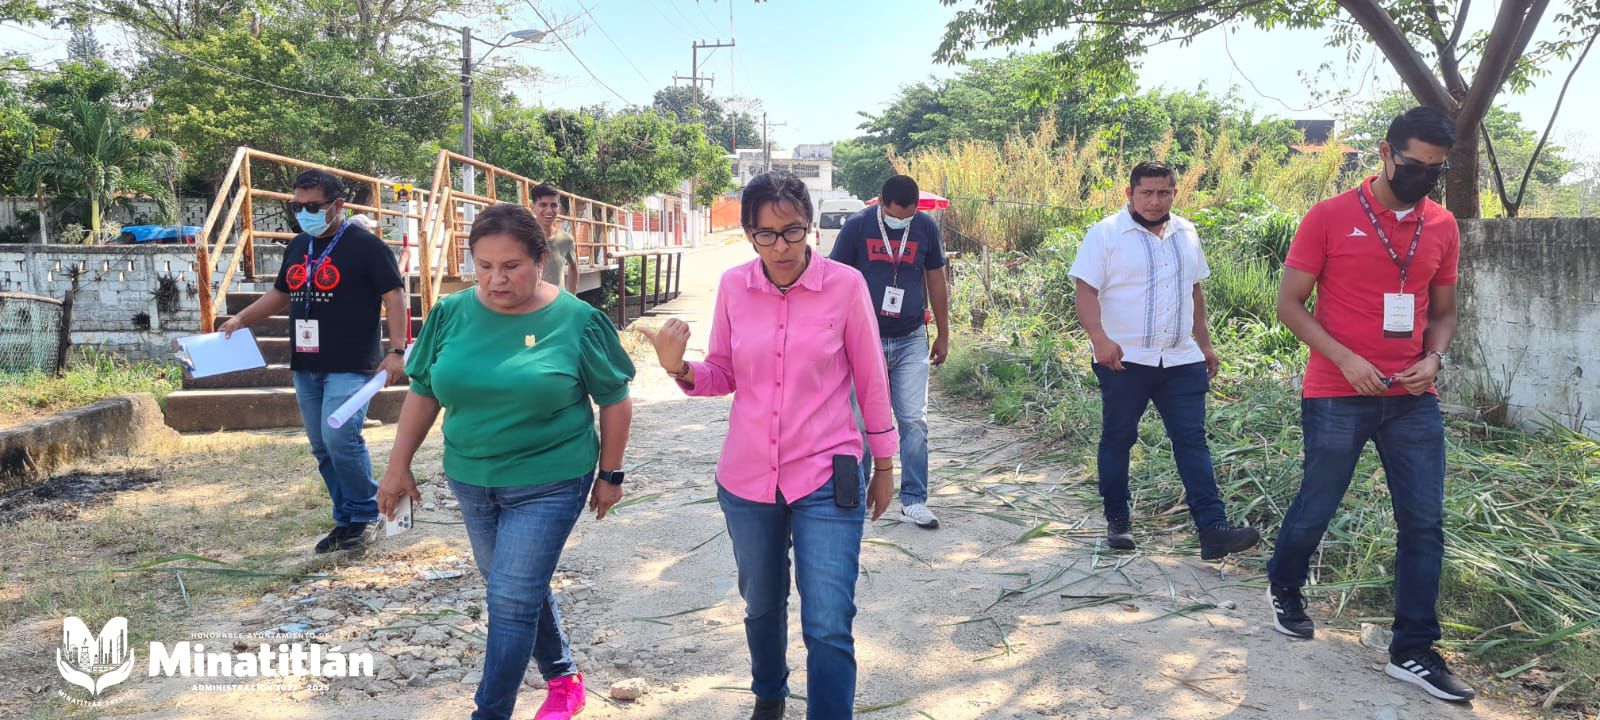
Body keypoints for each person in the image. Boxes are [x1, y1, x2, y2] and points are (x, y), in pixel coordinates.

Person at [638, 170, 898, 720]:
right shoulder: (735, 287)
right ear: (749, 234)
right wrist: (679, 368)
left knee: (829, 620)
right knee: (761, 604)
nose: (781, 247)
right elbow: (724, 372)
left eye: (792, 231)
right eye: (766, 234)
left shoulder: (845, 286)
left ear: (811, 228)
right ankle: (769, 695)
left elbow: (871, 380)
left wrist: (884, 464)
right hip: (749, 477)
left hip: (827, 475)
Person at [378, 202, 636, 720]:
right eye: (485, 265)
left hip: (552, 477)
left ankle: (490, 712)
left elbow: (614, 399)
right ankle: (564, 677)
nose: (497, 279)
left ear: (540, 260)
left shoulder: (577, 320)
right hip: (472, 477)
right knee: (513, 588)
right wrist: (397, 464)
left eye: (511, 266)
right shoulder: (450, 313)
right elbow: (424, 390)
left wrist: (610, 474)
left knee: (511, 599)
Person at [1266, 107, 1474, 702]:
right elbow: (1289, 304)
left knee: (1424, 520)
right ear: (1386, 153)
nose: (1424, 178)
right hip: (1338, 390)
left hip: (1412, 396)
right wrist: (1345, 360)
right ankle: (1284, 583)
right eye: (1414, 165)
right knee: (1318, 502)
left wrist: (1434, 359)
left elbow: (1443, 313)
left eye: (1436, 170)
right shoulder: (1329, 216)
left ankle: (1412, 649)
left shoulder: (1442, 226)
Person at [1068, 161, 1260, 559]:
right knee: (1119, 438)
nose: (1155, 201)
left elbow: (1194, 292)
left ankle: (1213, 531)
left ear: (1174, 192)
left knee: (1192, 441)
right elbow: (1085, 291)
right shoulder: (1106, 234)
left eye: (1163, 193)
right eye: (1146, 193)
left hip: (1180, 360)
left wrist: (1205, 344)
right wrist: (1099, 339)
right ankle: (1118, 520)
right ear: (1130, 193)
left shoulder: (1186, 233)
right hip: (1125, 360)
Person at [221, 168, 407, 554]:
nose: (304, 213)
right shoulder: (299, 246)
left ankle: (365, 514)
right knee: (322, 445)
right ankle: (347, 519)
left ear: (338, 205)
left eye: (312, 207)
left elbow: (394, 297)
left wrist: (396, 351)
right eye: (297, 207)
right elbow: (281, 293)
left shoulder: (366, 246)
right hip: (307, 364)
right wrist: (242, 319)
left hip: (351, 362)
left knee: (341, 438)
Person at [828, 174, 949, 529]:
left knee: (914, 420)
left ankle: (914, 499)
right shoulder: (857, 227)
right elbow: (836, 281)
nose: (902, 222)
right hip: (864, 340)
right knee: (862, 423)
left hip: (911, 338)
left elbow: (936, 279)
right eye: (896, 216)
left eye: (908, 216)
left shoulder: (925, 228)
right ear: (881, 203)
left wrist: (944, 333)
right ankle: (859, 494)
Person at [531, 184, 581, 293]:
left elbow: (573, 267)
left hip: (557, 301)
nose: (549, 210)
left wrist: (572, 297)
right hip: (531, 301)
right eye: (543, 205)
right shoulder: (523, 239)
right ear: (533, 208)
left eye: (553, 205)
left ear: (559, 208)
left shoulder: (566, 240)